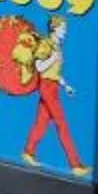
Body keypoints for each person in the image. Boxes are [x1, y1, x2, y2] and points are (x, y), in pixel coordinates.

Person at [21, 15, 88, 177]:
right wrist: (52, 58)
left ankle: (28, 152)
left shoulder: (58, 47)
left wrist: (66, 86)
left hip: (54, 87)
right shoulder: (46, 44)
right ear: (54, 29)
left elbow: (55, 73)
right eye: (63, 29)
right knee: (62, 124)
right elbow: (39, 67)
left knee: (41, 123)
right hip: (47, 87)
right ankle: (75, 165)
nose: (65, 32)